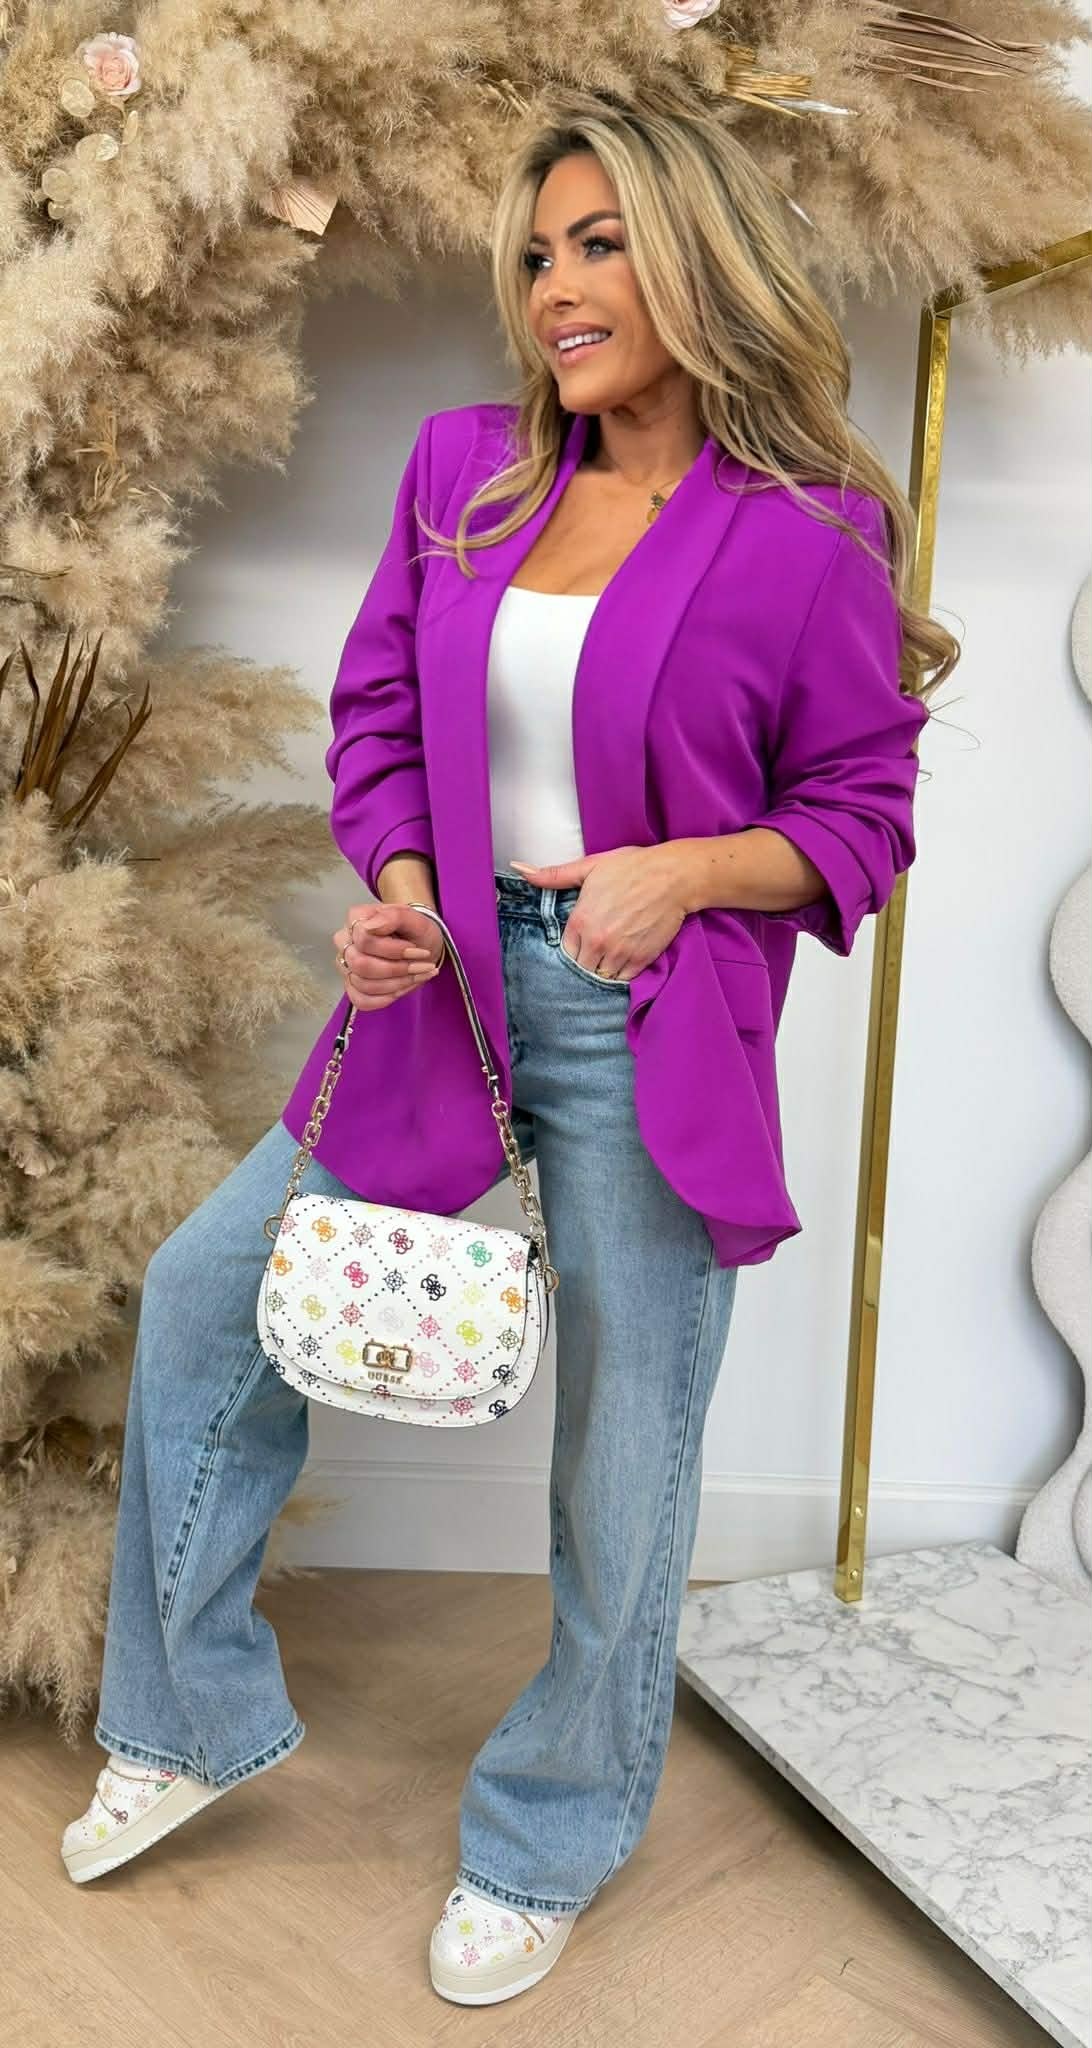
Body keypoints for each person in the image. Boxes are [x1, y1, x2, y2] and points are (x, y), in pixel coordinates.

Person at [61, 83, 958, 2010]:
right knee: (212, 1296)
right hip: (443, 996)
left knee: (624, 1453)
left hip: (654, 1024)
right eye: (540, 252)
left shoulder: (809, 539)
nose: (556, 287)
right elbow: (380, 716)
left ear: (698, 256)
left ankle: (551, 1831)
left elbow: (863, 818)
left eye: (599, 243)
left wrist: (682, 872)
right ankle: (189, 1717)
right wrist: (395, 888)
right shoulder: (465, 474)